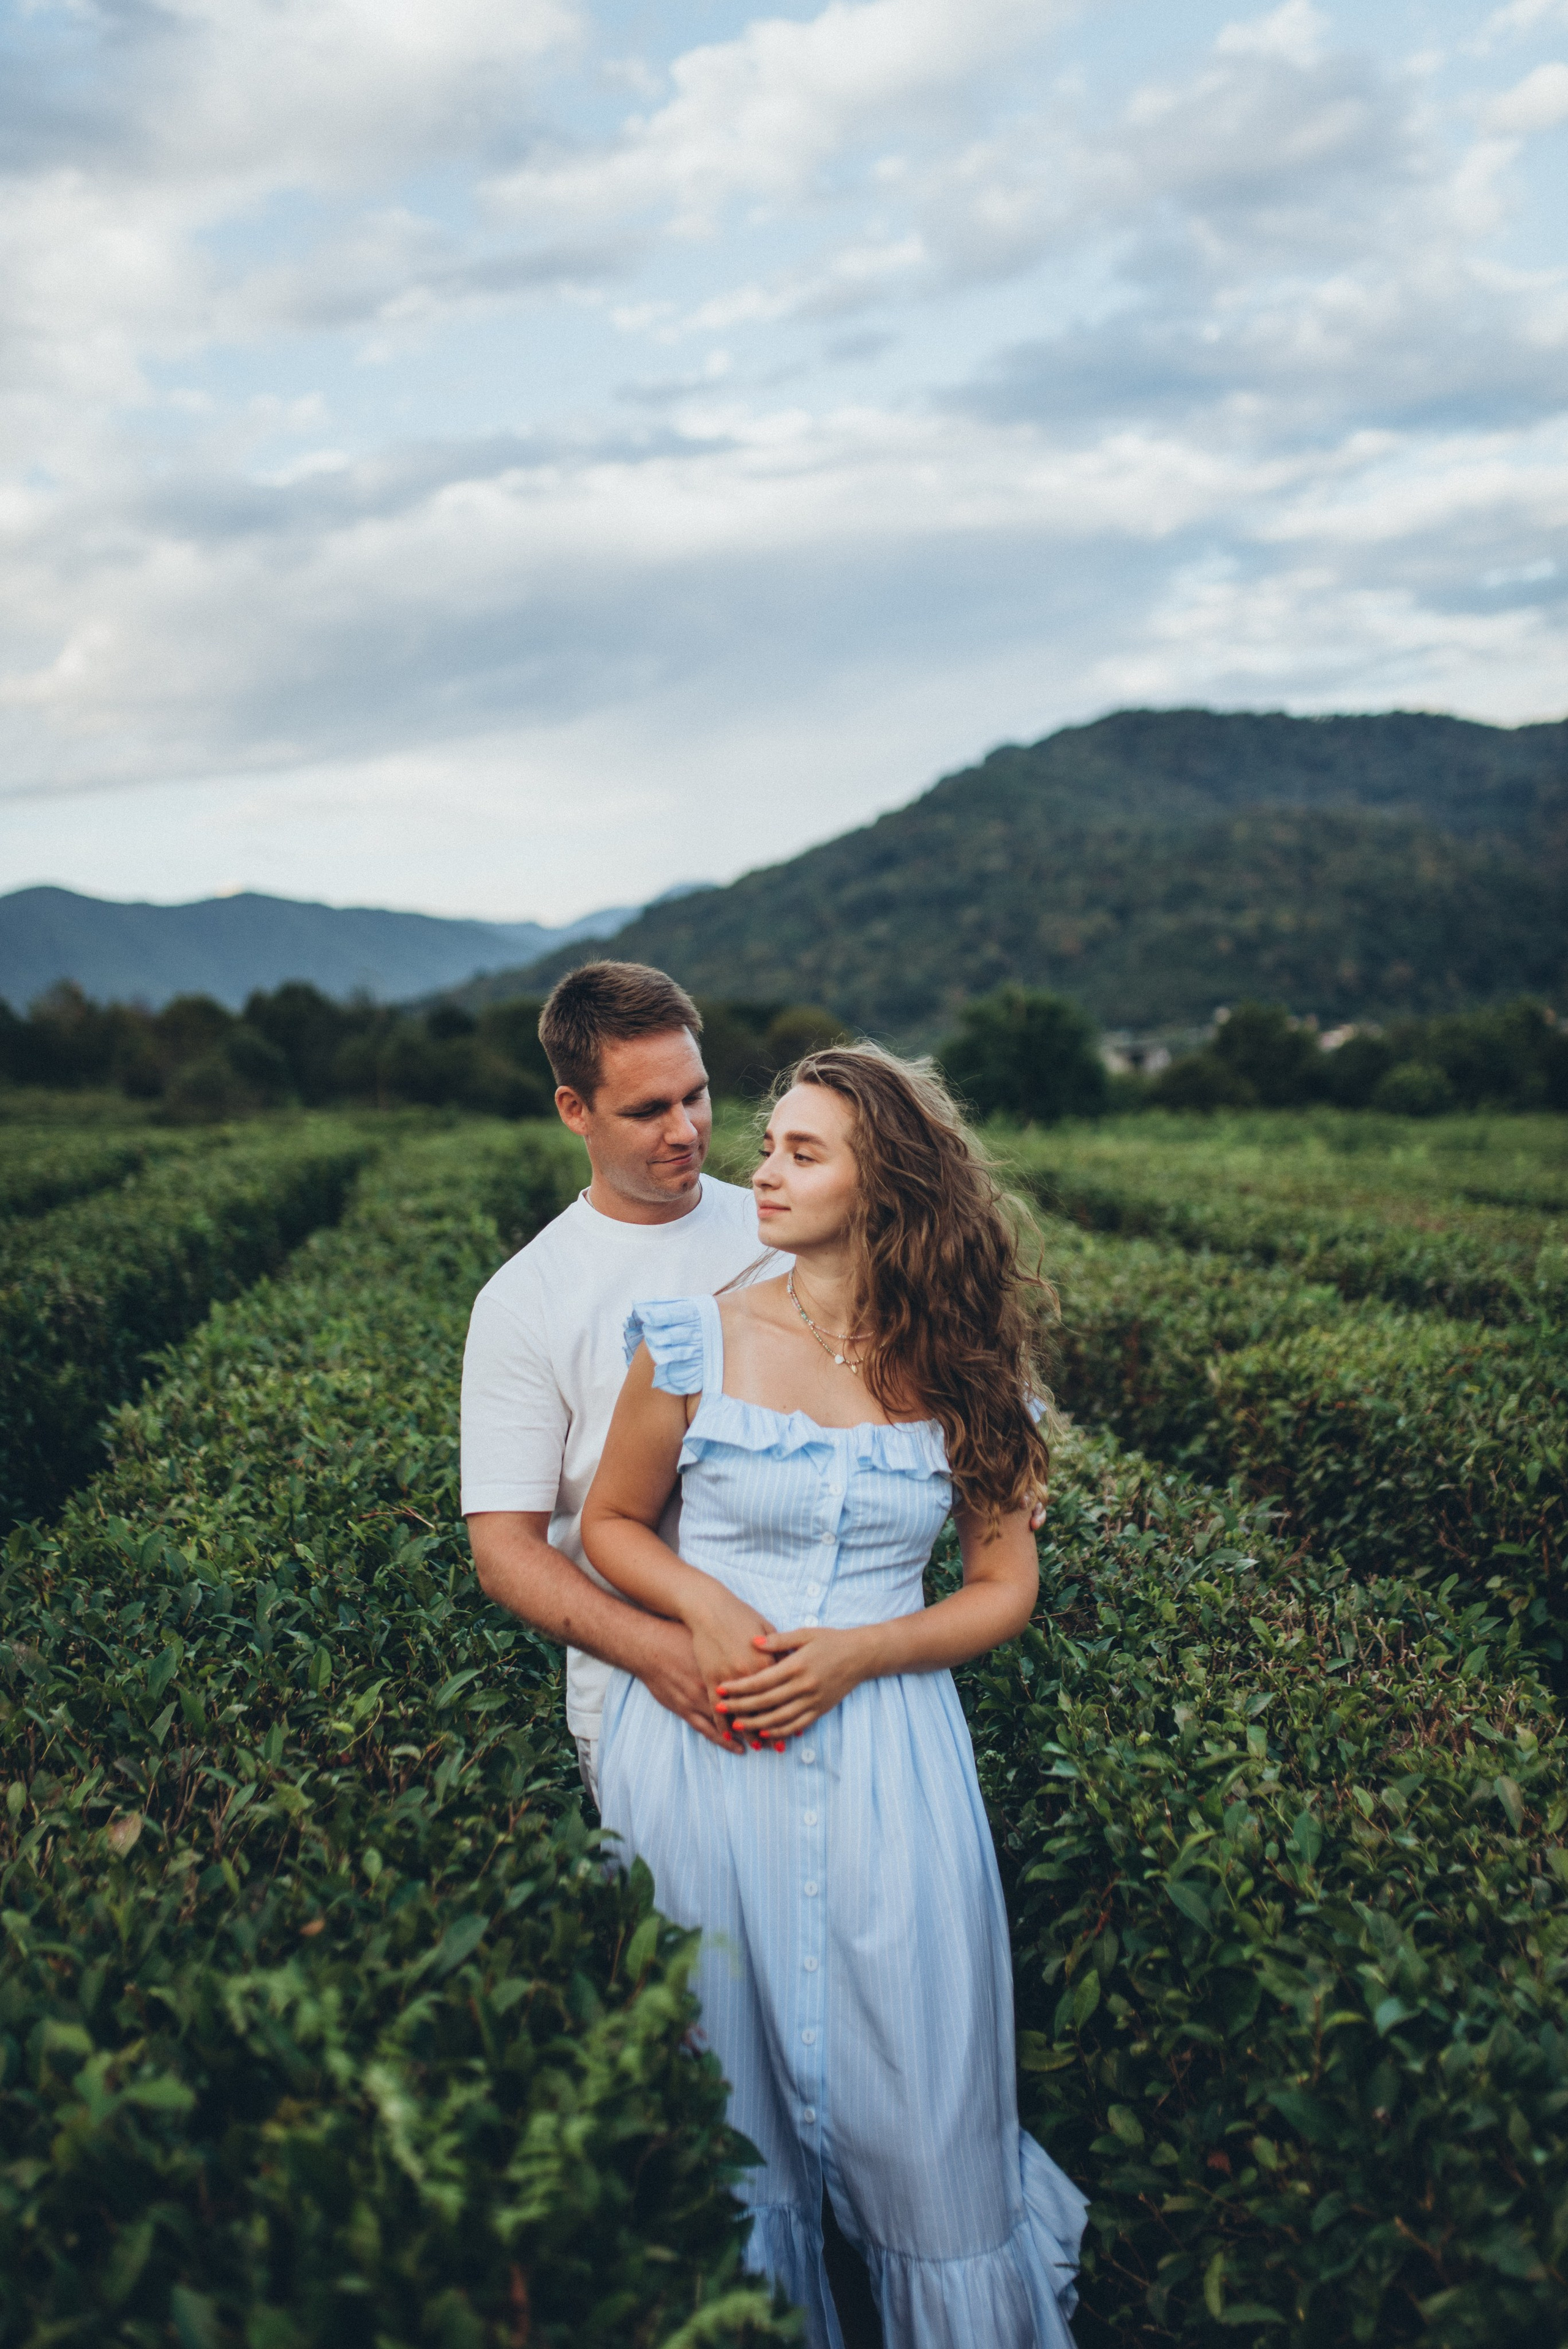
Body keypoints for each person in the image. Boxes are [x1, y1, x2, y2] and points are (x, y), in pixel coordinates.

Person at [581, 1043, 1087, 2349]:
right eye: (769, 1143)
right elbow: (613, 1524)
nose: (761, 1168)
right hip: (704, 1747)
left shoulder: (970, 1370)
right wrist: (704, 1606)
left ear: (887, 1187)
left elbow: (998, 1587)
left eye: (802, 1151)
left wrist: (859, 1650)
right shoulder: (695, 1334)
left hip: (889, 1754)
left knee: (923, 2094)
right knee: (725, 2089)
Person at [461, 960, 783, 1807]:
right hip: (641, 1700)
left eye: (696, 1096)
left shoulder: (783, 1230)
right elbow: (504, 1552)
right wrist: (658, 1654)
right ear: (576, 1110)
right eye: (648, 1110)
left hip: (810, 1671)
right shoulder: (524, 1300)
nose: (685, 1129)